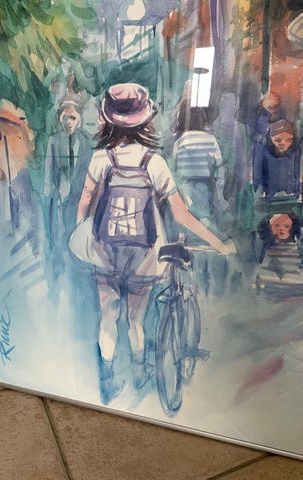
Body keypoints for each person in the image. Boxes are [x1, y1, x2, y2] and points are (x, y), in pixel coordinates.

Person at [73, 83, 235, 404]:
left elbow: (84, 204)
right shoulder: (154, 162)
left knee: (108, 316)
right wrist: (218, 243)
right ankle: (138, 372)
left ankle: (108, 382)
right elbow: (181, 214)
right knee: (136, 319)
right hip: (144, 254)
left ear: (109, 120)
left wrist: (87, 238)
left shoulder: (100, 159)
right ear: (145, 121)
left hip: (105, 251)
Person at [44, 99, 93, 279]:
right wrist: (50, 192)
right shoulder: (54, 141)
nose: (69, 122)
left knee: (77, 233)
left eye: (73, 118)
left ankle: (76, 268)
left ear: (80, 119)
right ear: (60, 119)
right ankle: (59, 270)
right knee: (59, 234)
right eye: (65, 118)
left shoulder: (87, 143)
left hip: (79, 198)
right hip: (61, 197)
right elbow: (49, 169)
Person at [253, 119, 301, 200]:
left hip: (292, 199)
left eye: (288, 140)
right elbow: (257, 176)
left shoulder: (297, 151)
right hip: (269, 199)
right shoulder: (262, 149)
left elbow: (299, 175)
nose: (283, 144)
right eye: (278, 140)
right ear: (271, 139)